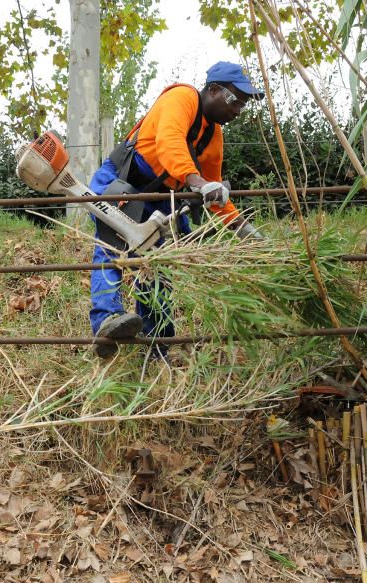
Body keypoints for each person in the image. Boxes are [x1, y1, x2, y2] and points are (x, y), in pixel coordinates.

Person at [89, 61, 265, 359]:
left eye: (243, 105)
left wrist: (242, 227)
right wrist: (196, 182)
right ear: (212, 90)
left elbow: (213, 189)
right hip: (123, 181)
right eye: (235, 100)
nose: (237, 111)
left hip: (160, 196)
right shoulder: (181, 97)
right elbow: (169, 142)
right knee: (112, 248)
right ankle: (106, 322)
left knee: (158, 264)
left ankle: (155, 344)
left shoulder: (213, 135)